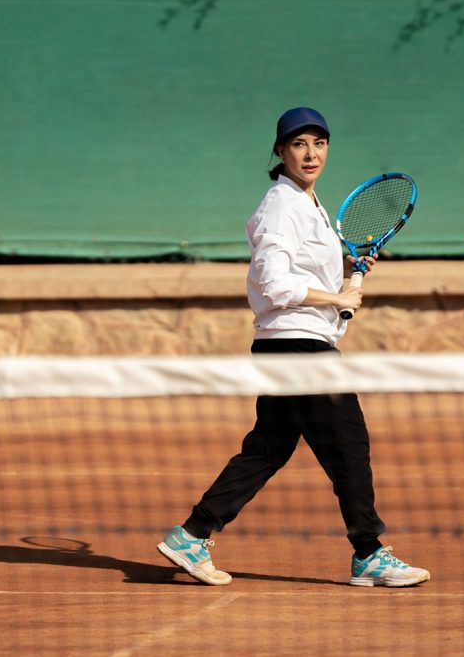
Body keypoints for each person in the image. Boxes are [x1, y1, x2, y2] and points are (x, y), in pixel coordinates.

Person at [156, 107, 430, 588]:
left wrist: (347, 271)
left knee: (269, 447)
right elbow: (276, 282)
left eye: (319, 143)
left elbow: (302, 271)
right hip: (297, 346)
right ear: (280, 151)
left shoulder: (309, 203)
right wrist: (337, 298)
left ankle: (192, 535)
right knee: (349, 444)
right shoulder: (282, 204)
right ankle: (369, 553)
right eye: (299, 144)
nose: (310, 153)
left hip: (290, 344)